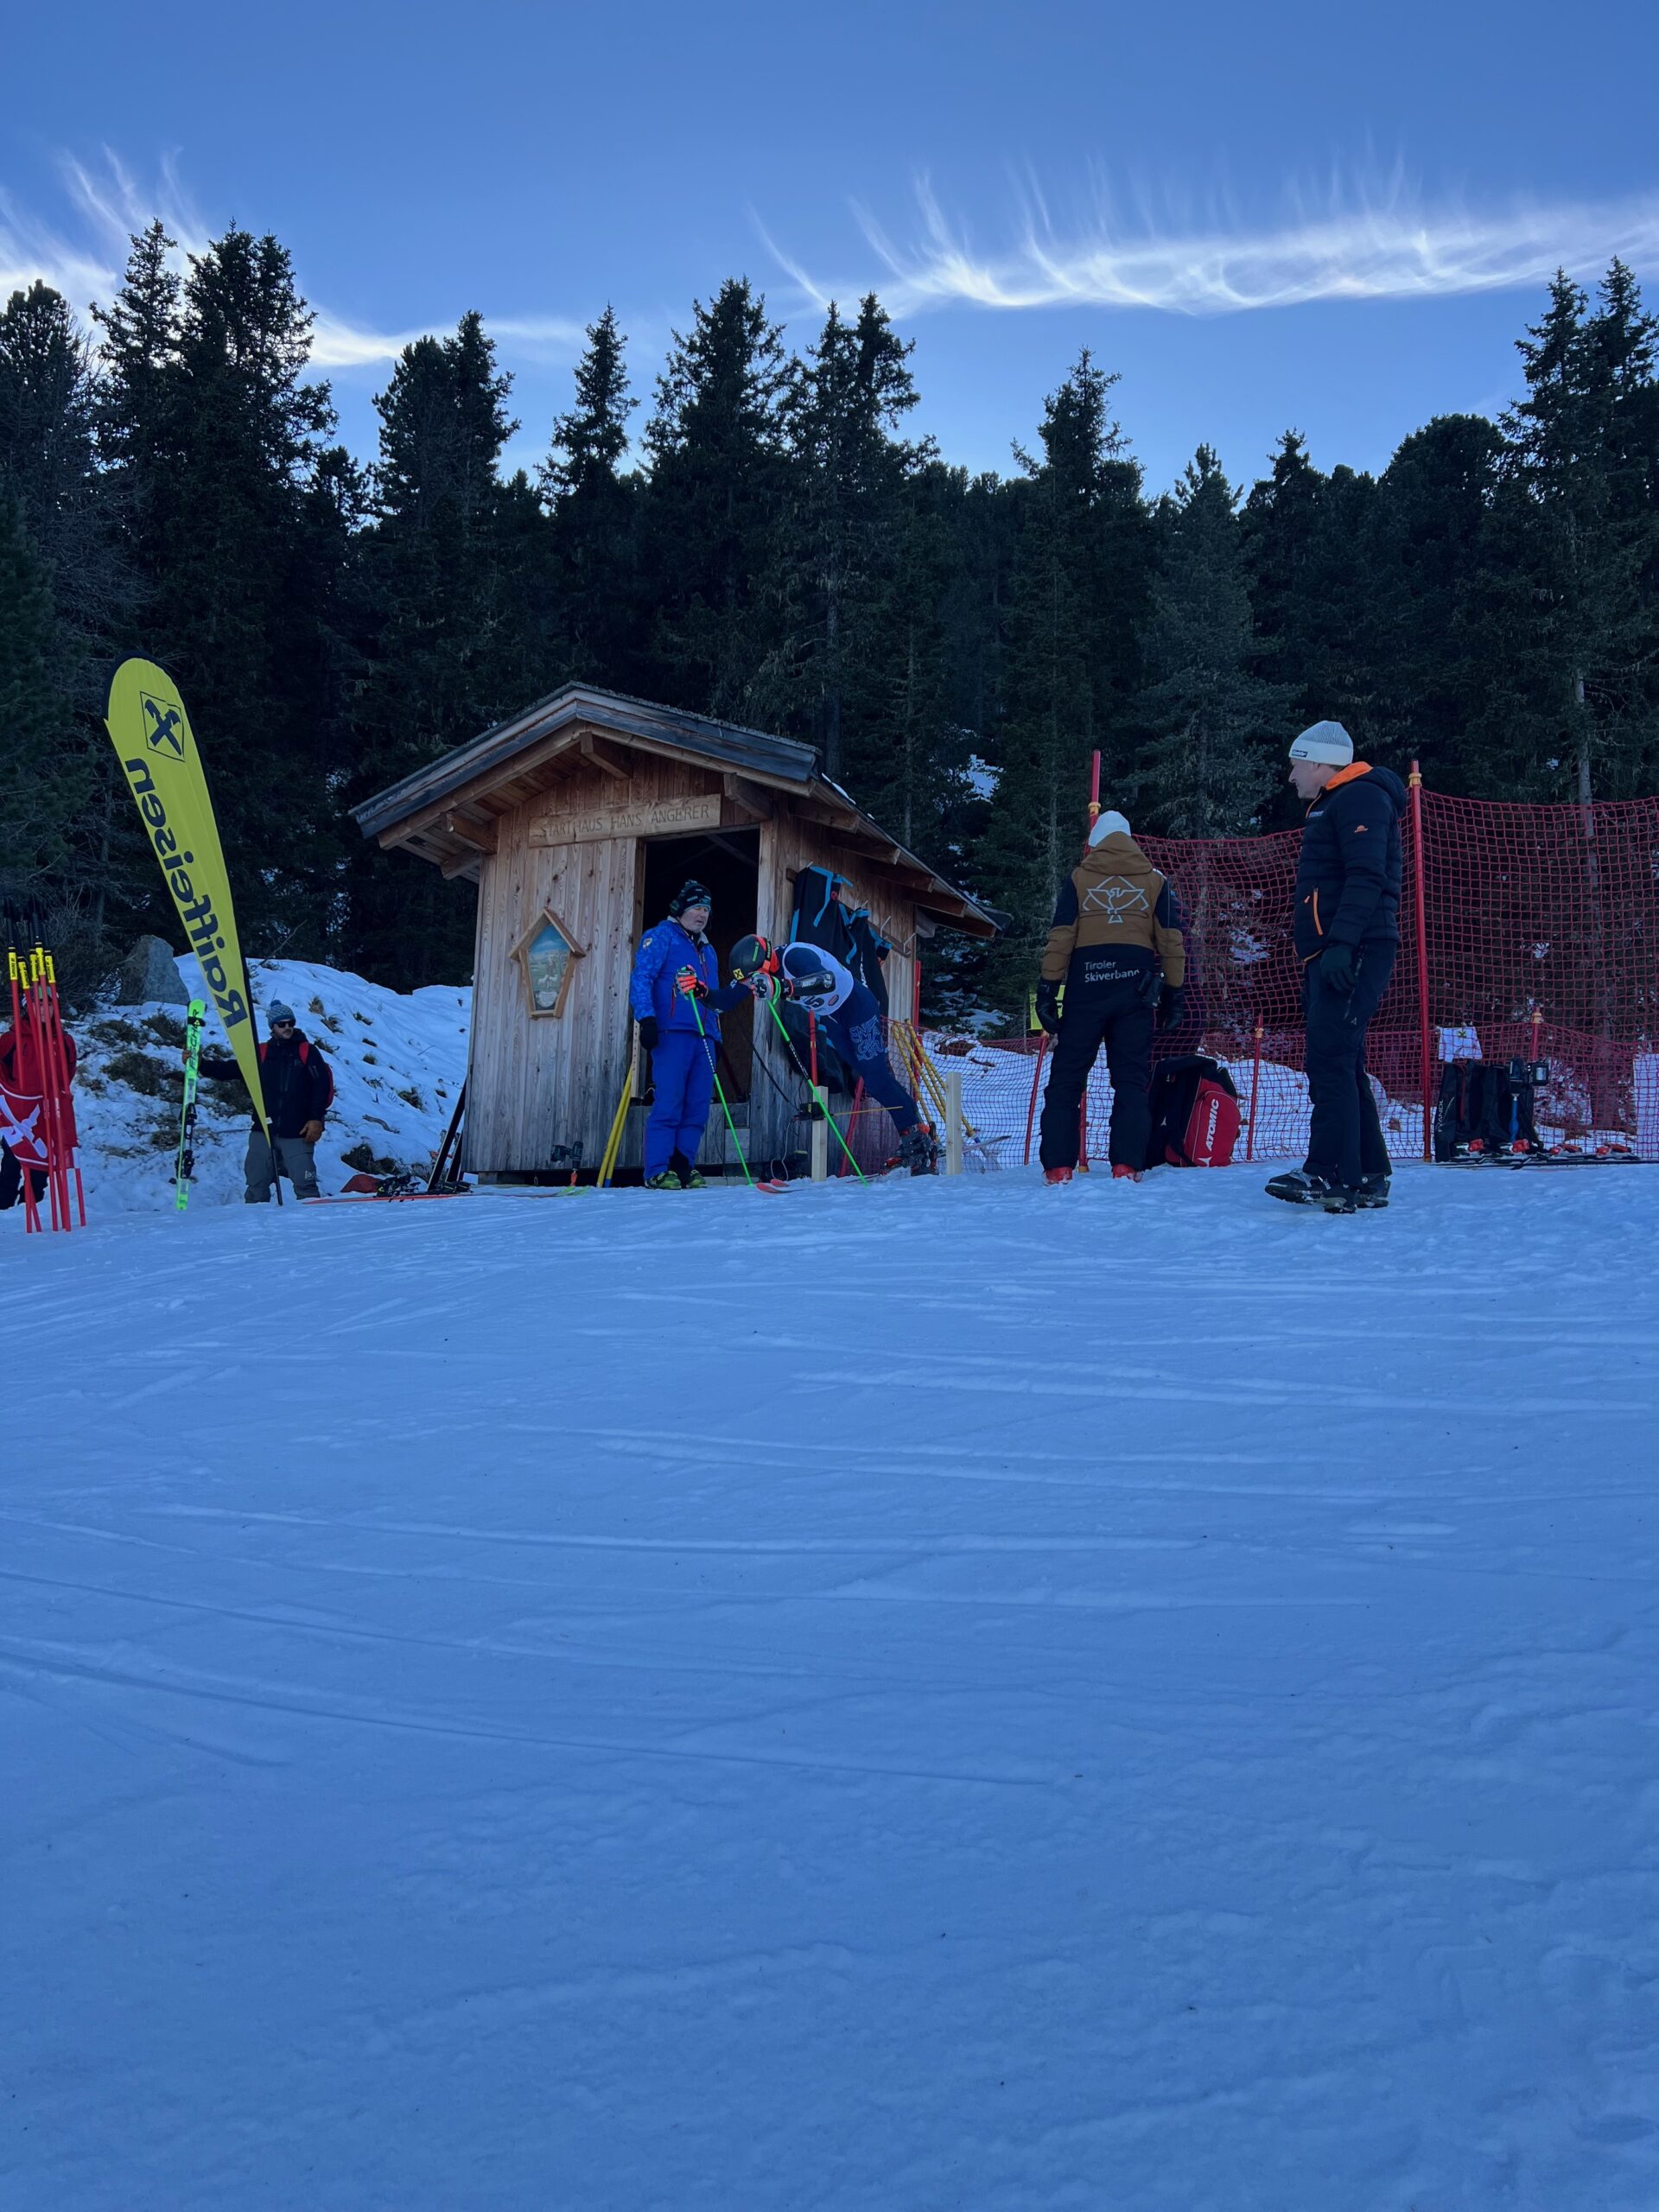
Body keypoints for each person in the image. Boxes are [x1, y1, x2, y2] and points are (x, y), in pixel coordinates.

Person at [1267, 721, 1406, 1213]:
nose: (1291, 776)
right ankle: (1367, 1172)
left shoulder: (1360, 797)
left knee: (1329, 1058)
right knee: (1343, 1058)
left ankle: (1327, 1172)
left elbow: (1366, 876)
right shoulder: (1337, 801)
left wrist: (1343, 944)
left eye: (1296, 765)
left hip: (1354, 946)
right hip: (1336, 947)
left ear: (1321, 763)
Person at [1035, 809, 1185, 1185]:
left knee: (1067, 1079)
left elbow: (1061, 937)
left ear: (1095, 843)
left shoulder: (1078, 878)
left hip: (1086, 989)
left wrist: (1047, 990)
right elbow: (1171, 941)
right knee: (1131, 1080)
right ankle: (1126, 1166)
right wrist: (1175, 992)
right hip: (1135, 990)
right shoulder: (1155, 880)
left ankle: (1058, 1168)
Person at [734, 937, 937, 1173]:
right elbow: (725, 997)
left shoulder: (793, 956)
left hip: (857, 1006)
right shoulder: (762, 975)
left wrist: (783, 987)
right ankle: (918, 1135)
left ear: (764, 963)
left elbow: (826, 981)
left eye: (754, 979)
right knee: (872, 1081)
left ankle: (914, 1139)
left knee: (877, 1079)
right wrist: (702, 992)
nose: (753, 985)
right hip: (834, 1020)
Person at [629, 881, 751, 1188]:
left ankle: (683, 1165)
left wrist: (717, 1036)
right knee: (670, 1100)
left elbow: (711, 997)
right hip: (673, 1031)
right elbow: (642, 977)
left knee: (698, 1104)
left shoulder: (707, 950)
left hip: (705, 1035)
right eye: (697, 907)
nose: (702, 914)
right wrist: (646, 1019)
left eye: (706, 909)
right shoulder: (661, 937)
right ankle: (657, 1169)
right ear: (680, 909)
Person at [199, 1001, 334, 1202]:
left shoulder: (307, 1051)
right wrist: (201, 1064)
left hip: (298, 1131)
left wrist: (316, 1119)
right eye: (282, 1024)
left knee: (305, 1186)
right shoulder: (262, 1052)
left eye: (290, 1023)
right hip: (263, 1130)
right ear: (272, 1027)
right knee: (256, 1185)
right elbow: (231, 1070)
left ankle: (310, 1222)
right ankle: (257, 1222)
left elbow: (321, 1087)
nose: (287, 1027)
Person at [0, 1015, 76, 1213]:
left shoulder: (63, 1040)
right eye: (37, 1004)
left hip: (46, 1110)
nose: (43, 1009)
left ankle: (31, 1207)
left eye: (47, 1004)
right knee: (12, 1158)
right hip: (18, 1111)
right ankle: (4, 1207)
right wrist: (13, 1095)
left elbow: (67, 1072)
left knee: (41, 1161)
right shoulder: (12, 1038)